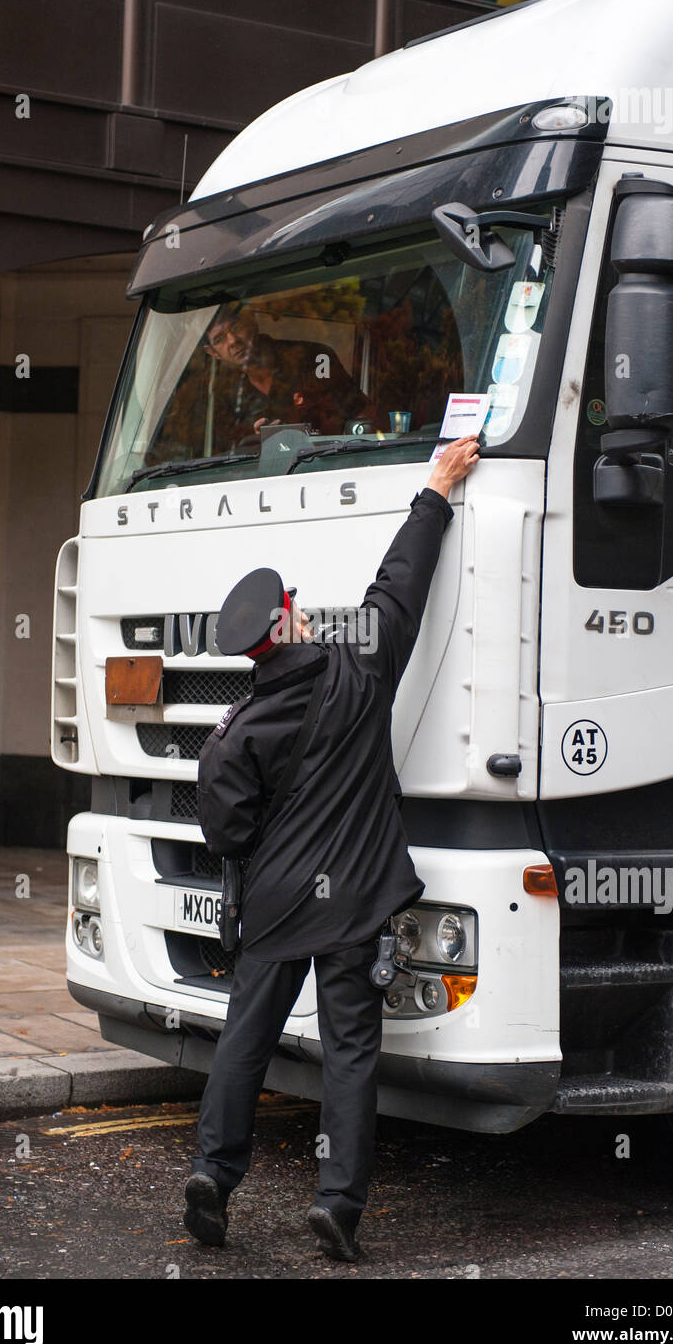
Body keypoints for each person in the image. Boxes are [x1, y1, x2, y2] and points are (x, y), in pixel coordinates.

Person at [183, 434, 481, 1262]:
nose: (306, 604)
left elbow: (227, 833)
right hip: (353, 902)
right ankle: (338, 1206)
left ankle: (213, 1173)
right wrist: (437, 490)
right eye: (297, 600)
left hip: (277, 906)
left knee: (247, 1036)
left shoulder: (235, 733)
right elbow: (401, 586)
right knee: (350, 1052)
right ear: (288, 620)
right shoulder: (360, 672)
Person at [203, 303, 374, 440]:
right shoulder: (220, 396)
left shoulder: (314, 358)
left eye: (236, 327)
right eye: (219, 339)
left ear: (253, 321)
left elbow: (365, 417)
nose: (232, 341)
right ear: (213, 353)